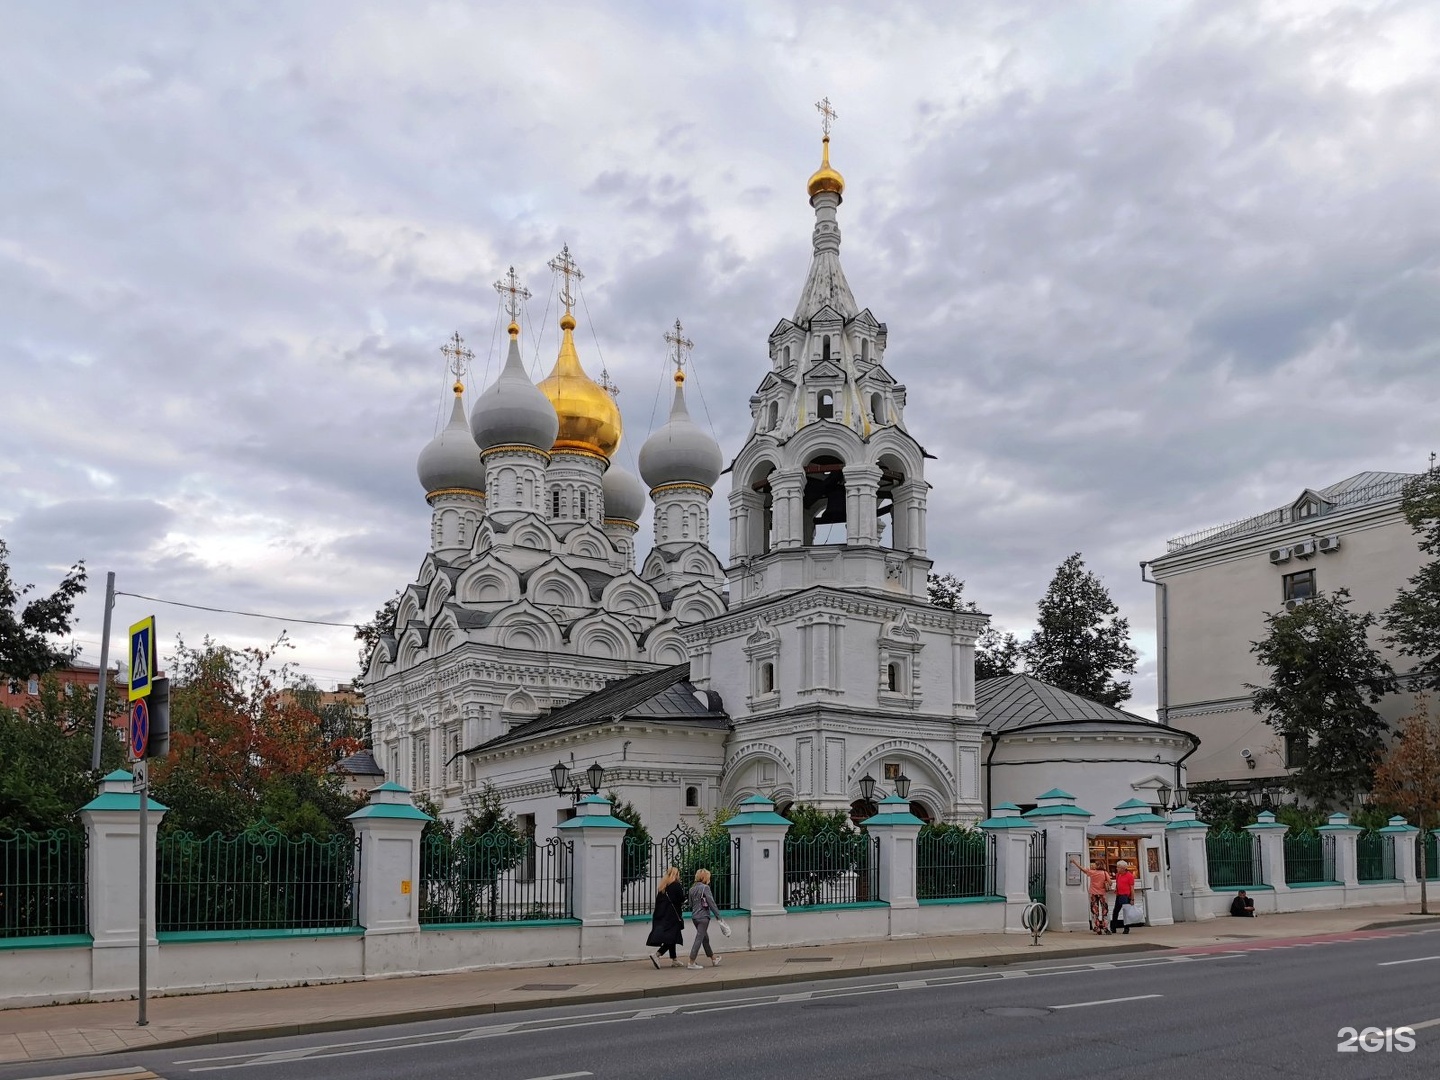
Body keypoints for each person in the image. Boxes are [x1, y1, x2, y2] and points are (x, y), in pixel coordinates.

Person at [645, 866, 686, 968]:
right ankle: (657, 955)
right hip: (672, 916)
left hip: (661, 915)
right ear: (676, 875)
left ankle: (674, 959)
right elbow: (681, 899)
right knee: (672, 937)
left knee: (670, 936)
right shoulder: (676, 885)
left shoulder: (662, 887)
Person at [686, 867, 722, 968]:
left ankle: (713, 958)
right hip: (703, 917)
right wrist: (718, 916)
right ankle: (691, 962)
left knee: (704, 938)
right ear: (705, 877)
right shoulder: (705, 888)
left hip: (695, 917)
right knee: (699, 938)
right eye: (708, 877)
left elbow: (690, 904)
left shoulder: (691, 889)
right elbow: (711, 903)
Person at [1069, 856, 1112, 935]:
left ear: (1098, 865)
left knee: (1094, 911)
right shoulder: (1105, 873)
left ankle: (1097, 927)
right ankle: (1106, 927)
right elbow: (1110, 882)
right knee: (1105, 911)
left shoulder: (1093, 872)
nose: (1094, 865)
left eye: (1095, 864)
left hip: (1093, 893)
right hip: (1103, 894)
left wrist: (1075, 862)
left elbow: (1082, 869)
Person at [1111, 860, 1136, 935]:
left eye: (1118, 867)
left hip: (1126, 895)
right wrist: (1116, 889)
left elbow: (1132, 888)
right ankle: (1113, 927)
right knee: (1115, 911)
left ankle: (1126, 928)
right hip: (1119, 895)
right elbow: (1118, 883)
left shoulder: (1130, 876)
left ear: (1123, 868)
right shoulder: (1118, 875)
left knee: (1126, 912)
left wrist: (1132, 899)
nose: (1117, 869)